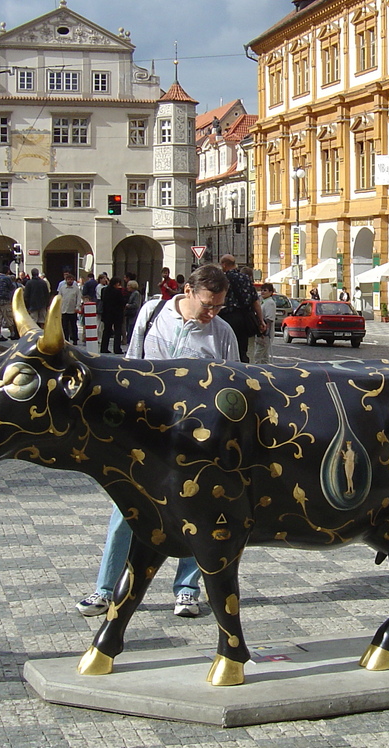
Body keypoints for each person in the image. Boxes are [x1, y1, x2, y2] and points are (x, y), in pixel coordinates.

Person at [76, 264, 238, 620]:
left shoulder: (222, 333)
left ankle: (187, 590)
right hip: (148, 434)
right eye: (208, 304)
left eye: (218, 306)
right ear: (190, 292)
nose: (212, 313)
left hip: (196, 439)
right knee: (126, 511)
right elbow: (130, 367)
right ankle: (104, 590)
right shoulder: (152, 314)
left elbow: (234, 388)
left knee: (198, 514)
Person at [217, 254, 264, 362]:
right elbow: (255, 300)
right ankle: (243, 371)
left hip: (226, 317)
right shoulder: (245, 278)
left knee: (224, 348)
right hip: (244, 318)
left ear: (224, 265)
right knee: (242, 350)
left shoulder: (221, 279)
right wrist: (261, 320)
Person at [249, 283, 276, 364]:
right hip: (261, 332)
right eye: (262, 290)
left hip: (265, 333)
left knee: (257, 355)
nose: (262, 292)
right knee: (264, 357)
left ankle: (256, 371)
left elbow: (269, 319)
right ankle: (268, 371)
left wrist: (265, 333)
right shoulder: (263, 301)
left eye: (265, 290)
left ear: (271, 292)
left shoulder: (270, 303)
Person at [98, 273, 126, 353]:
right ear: (117, 283)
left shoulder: (104, 290)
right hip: (117, 314)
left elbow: (103, 300)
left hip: (107, 313)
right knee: (117, 331)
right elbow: (122, 302)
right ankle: (117, 349)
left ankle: (104, 348)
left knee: (106, 331)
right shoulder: (117, 292)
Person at [0, 266, 19, 341]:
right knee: (8, 317)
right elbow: (12, 287)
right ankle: (12, 333)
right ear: (7, 271)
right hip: (5, 300)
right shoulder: (7, 278)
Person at [57, 270, 83, 345]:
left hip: (73, 310)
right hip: (64, 309)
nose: (70, 281)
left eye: (71, 279)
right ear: (66, 280)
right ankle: (66, 339)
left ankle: (75, 339)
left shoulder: (76, 288)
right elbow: (59, 297)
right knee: (64, 326)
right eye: (68, 279)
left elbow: (78, 298)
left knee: (73, 326)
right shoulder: (62, 288)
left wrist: (77, 307)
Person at [125, 276, 144, 344]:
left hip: (134, 313)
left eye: (128, 285)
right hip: (131, 314)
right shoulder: (132, 293)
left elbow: (136, 304)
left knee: (131, 327)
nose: (127, 287)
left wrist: (128, 305)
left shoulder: (136, 294)